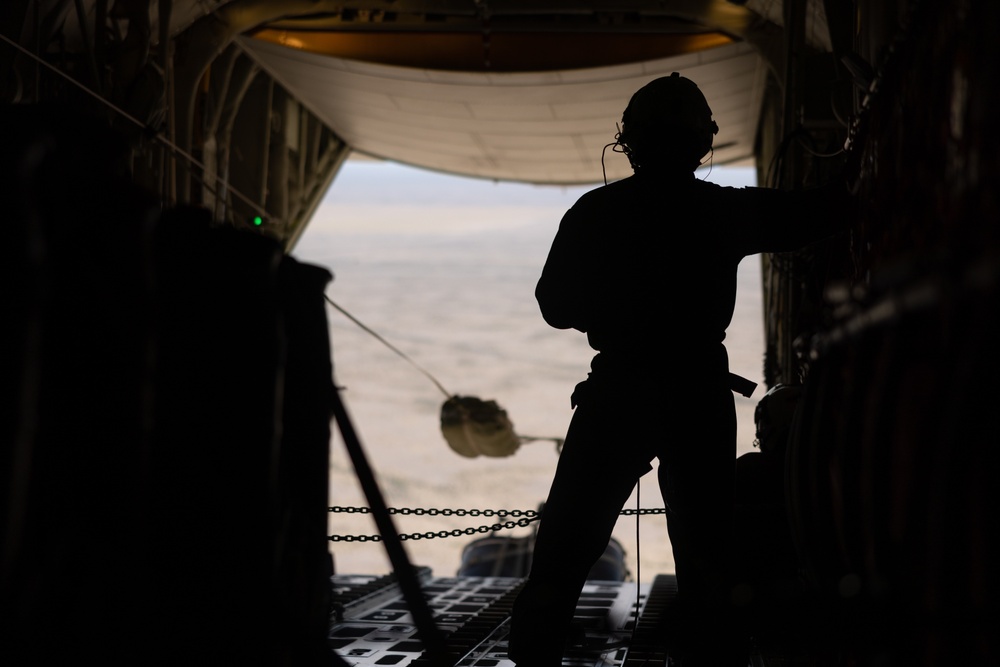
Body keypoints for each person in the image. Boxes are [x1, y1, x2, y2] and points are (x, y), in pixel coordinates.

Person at [506, 73, 852, 666]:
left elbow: (555, 305)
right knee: (705, 556)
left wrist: (618, 306)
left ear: (629, 143)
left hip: (619, 387)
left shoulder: (595, 212)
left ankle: (534, 655)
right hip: (696, 393)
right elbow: (819, 214)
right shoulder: (725, 211)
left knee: (566, 545)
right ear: (701, 144)